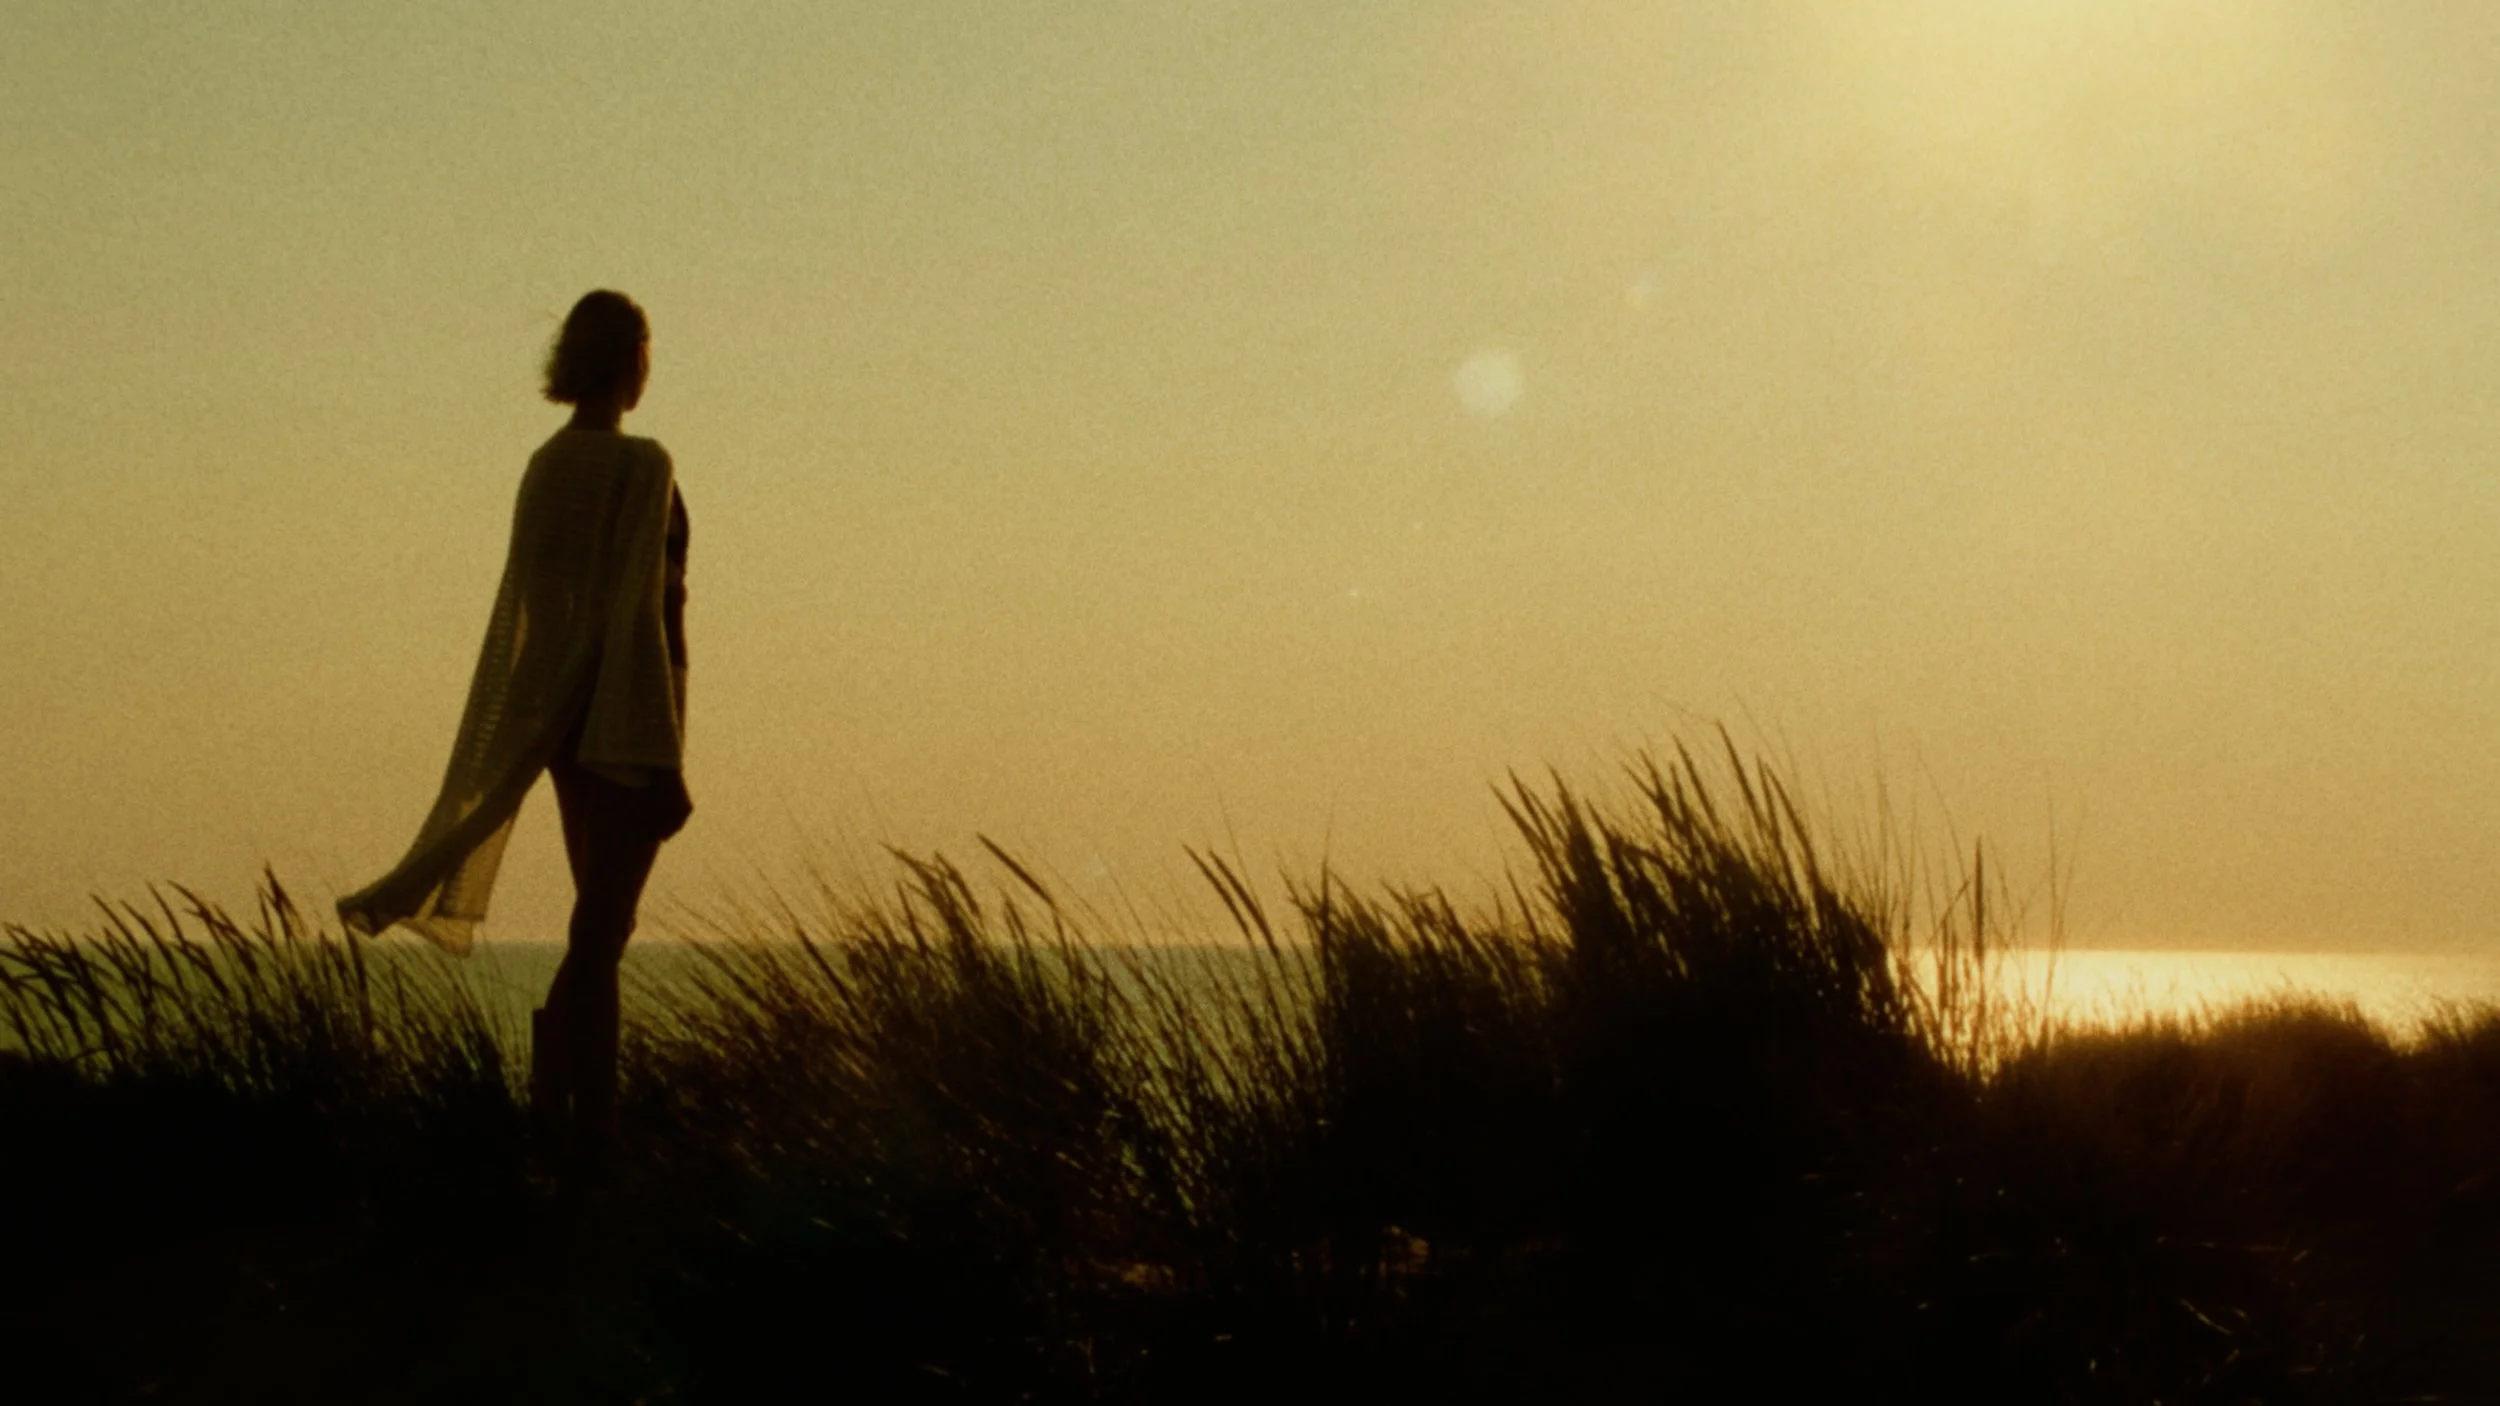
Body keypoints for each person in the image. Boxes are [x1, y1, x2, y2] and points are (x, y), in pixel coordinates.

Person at [340, 289, 692, 1182]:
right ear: (630, 360)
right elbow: (649, 615)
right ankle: (593, 1131)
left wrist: (562, 706)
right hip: (633, 714)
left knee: (601, 921)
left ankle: (561, 1086)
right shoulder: (643, 465)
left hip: (570, 719)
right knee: (605, 926)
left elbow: (542, 608)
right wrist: (662, 755)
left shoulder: (544, 466)